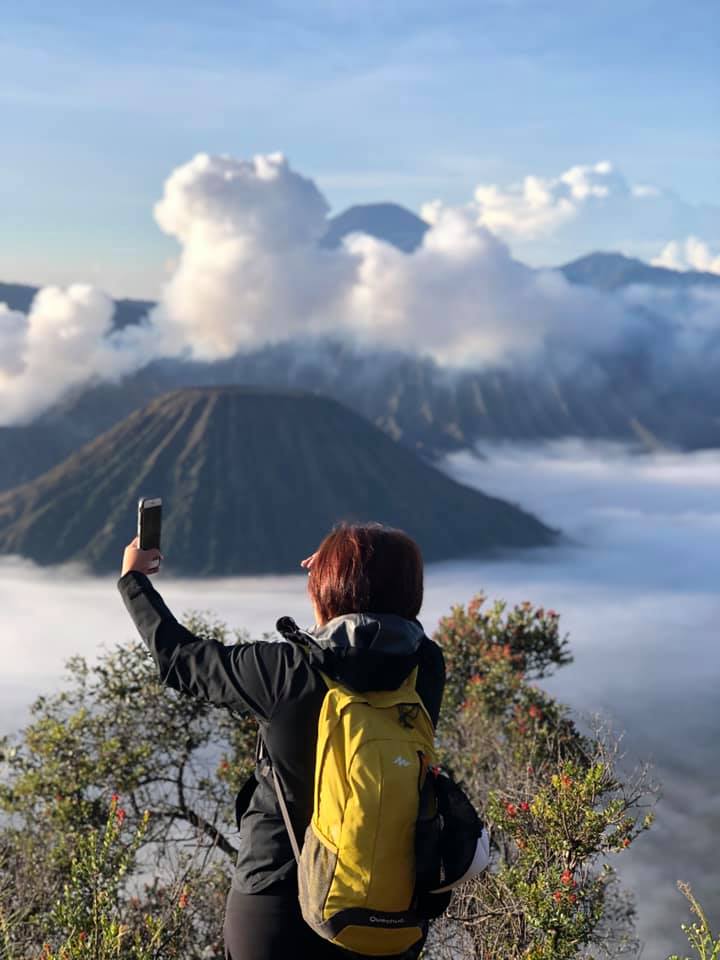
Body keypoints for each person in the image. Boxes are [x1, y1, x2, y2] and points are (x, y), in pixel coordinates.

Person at [118, 521, 446, 960]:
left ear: (323, 589)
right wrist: (348, 579)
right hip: (384, 904)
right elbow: (385, 634)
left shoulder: (284, 671)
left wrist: (133, 581)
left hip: (275, 899)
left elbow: (180, 659)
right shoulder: (426, 667)